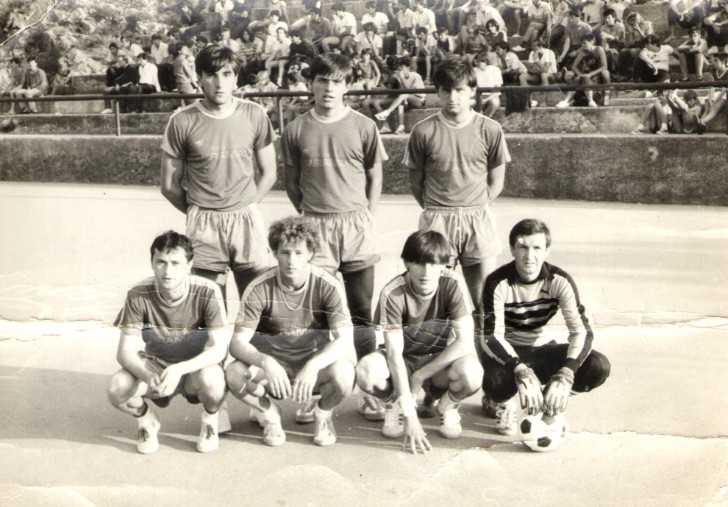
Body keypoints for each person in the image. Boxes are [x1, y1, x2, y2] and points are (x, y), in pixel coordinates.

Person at [281, 53, 388, 422]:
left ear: (348, 86)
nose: (329, 88)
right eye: (322, 81)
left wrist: (366, 214)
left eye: (337, 81)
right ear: (311, 84)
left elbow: (375, 176)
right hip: (317, 228)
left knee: (361, 311)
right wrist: (310, 215)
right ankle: (317, 391)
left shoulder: (364, 126)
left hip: (356, 225)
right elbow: (291, 182)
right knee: (317, 316)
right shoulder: (296, 129)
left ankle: (369, 391)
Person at [225, 217, 356, 447]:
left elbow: (345, 339)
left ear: (310, 254)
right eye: (285, 253)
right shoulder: (259, 287)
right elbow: (237, 343)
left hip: (311, 366)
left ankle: (322, 414)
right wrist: (266, 362)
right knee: (234, 373)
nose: (292, 261)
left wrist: (314, 364)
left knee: (344, 373)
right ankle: (269, 414)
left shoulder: (327, 285)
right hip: (273, 370)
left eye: (298, 253)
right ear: (274, 252)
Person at [160, 45, 277, 302]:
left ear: (235, 77)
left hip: (246, 218)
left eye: (226, 74)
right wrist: (198, 210)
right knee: (211, 307)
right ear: (199, 77)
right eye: (211, 75)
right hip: (204, 223)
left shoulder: (254, 114)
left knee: (257, 303)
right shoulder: (181, 121)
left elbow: (269, 172)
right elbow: (169, 185)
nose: (219, 83)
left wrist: (246, 205)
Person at [479, 219, 611, 439]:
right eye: (523, 247)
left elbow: (581, 331)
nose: (529, 256)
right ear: (512, 249)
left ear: (547, 250)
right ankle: (503, 404)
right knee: (495, 380)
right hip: (510, 352)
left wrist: (566, 373)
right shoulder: (496, 282)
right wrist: (519, 369)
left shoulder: (560, 281)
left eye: (537, 248)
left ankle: (551, 402)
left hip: (543, 349)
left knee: (598, 366)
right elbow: (492, 337)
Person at [405, 56, 510, 330]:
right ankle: (438, 354)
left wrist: (475, 203)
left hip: (477, 218)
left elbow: (496, 180)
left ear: (472, 91)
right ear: (438, 92)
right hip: (438, 218)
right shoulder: (422, 131)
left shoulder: (490, 129)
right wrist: (437, 208)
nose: (453, 97)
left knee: (484, 300)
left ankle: (486, 353)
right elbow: (416, 182)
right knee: (436, 300)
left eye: (460, 90)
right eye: (446, 90)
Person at [355, 230, 484, 452]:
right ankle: (394, 404)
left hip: (437, 362)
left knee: (472, 373)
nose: (426, 272)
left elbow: (464, 341)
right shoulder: (392, 293)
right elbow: (394, 356)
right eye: (419, 263)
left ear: (444, 264)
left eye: (433, 264)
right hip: (403, 361)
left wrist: (421, 375)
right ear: (406, 263)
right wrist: (409, 414)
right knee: (365, 371)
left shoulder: (453, 283)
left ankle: (447, 406)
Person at [107, 231, 230, 454]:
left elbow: (219, 348)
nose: (167, 271)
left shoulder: (207, 290)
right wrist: (147, 375)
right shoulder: (138, 293)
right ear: (152, 263)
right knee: (117, 387)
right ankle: (146, 421)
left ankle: (210, 420)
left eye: (175, 263)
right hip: (157, 366)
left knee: (213, 379)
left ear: (189, 265)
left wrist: (180, 368)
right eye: (161, 262)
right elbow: (124, 352)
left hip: (194, 368)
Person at [373, 56, 426, 133]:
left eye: (402, 67)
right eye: (400, 67)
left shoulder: (416, 76)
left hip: (419, 99)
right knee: (400, 100)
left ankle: (387, 112)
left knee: (403, 96)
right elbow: (403, 90)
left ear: (408, 67)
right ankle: (401, 126)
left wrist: (401, 81)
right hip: (408, 99)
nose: (400, 69)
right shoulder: (401, 76)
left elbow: (413, 91)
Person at [557, 33, 610, 108]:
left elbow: (604, 66)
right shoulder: (583, 51)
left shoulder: (599, 49)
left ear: (592, 42)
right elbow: (574, 67)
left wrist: (590, 75)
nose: (583, 45)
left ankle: (606, 94)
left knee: (605, 73)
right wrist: (580, 75)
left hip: (597, 75)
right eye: (582, 43)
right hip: (586, 77)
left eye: (585, 43)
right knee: (578, 78)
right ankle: (567, 100)